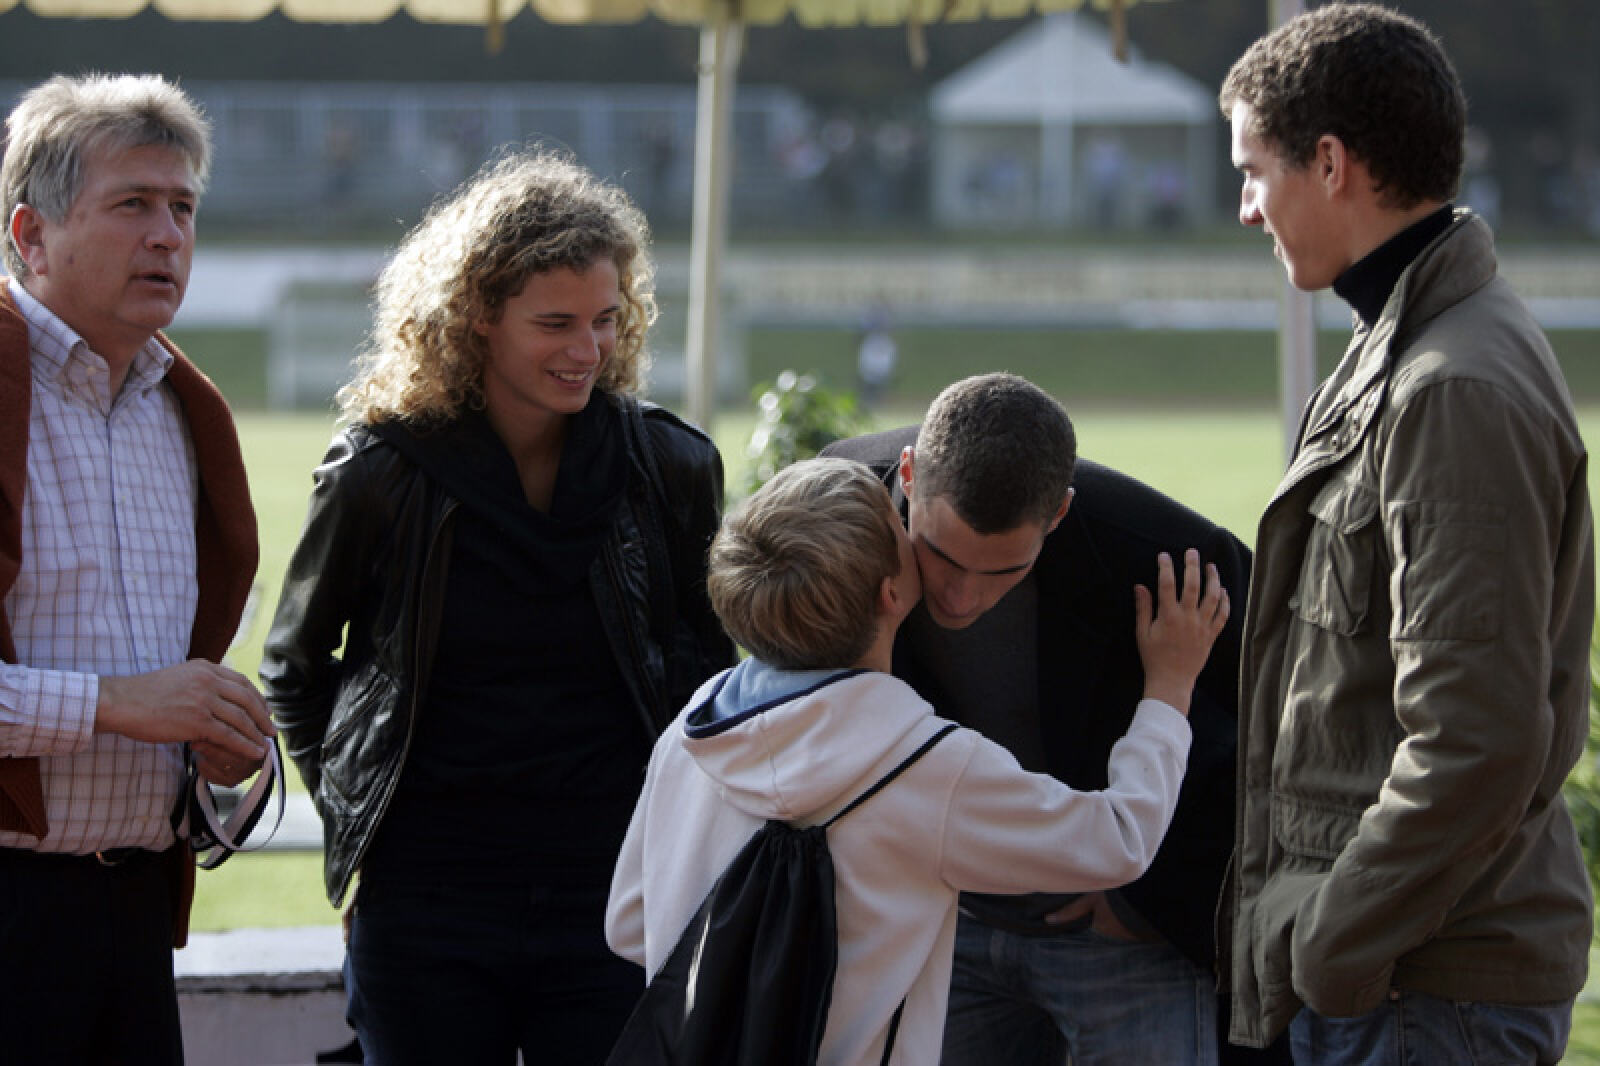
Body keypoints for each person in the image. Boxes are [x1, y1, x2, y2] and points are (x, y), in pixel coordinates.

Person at [259, 149, 735, 1065]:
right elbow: (294, 667)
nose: (588, 350)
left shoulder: (672, 467)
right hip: (427, 904)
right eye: (555, 323)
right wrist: (367, 832)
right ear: (476, 315)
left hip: (614, 896)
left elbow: (712, 676)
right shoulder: (377, 475)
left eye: (605, 320)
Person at [1220, 6, 1595, 1062]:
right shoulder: (1411, 345)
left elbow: (1475, 740)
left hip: (1419, 991)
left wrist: (1328, 948)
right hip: (1401, 981)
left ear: (1329, 163)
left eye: (1253, 171)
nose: (1245, 208)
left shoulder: (1450, 386)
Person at [606, 456, 1231, 1065]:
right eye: (897, 525)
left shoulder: (690, 733)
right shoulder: (928, 764)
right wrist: (1169, 686)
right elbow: (1119, 838)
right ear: (890, 592)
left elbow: (630, 924)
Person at [823, 372, 1272, 1065]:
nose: (960, 596)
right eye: (939, 555)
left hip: (1120, 943)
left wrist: (1148, 901)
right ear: (907, 476)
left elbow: (1280, 743)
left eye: (1002, 571)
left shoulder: (1166, 555)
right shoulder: (837, 501)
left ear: (1058, 514)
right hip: (942, 930)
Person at [0, 74, 273, 1064]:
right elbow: (136, 699)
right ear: (32, 235)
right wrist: (122, 705)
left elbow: (173, 694)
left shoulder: (184, 414)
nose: (167, 236)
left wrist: (218, 752)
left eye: (183, 208)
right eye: (132, 204)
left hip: (136, 910)